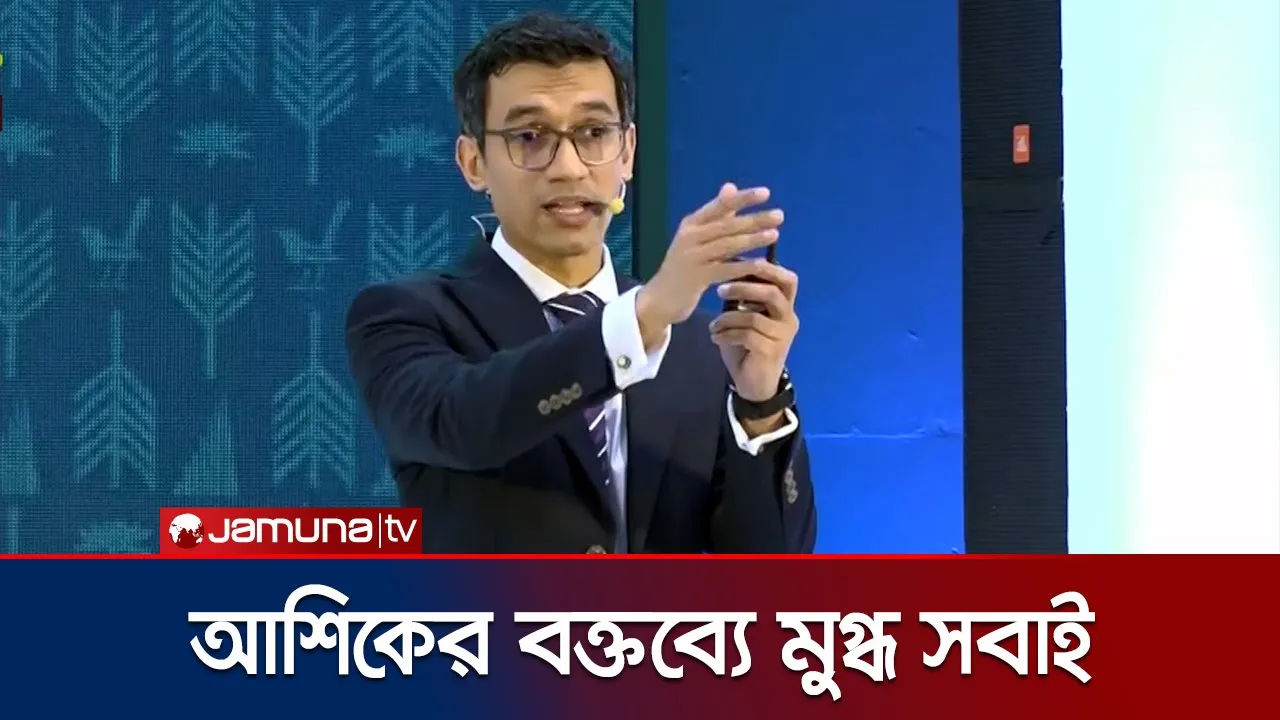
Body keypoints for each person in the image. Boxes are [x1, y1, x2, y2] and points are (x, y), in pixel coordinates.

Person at [344, 12, 816, 554]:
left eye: (594, 133)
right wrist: (644, 317)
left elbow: (771, 567)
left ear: (627, 153)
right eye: (530, 137)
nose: (569, 168)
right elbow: (465, 424)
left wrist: (758, 403)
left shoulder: (700, 347)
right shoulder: (406, 315)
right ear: (474, 163)